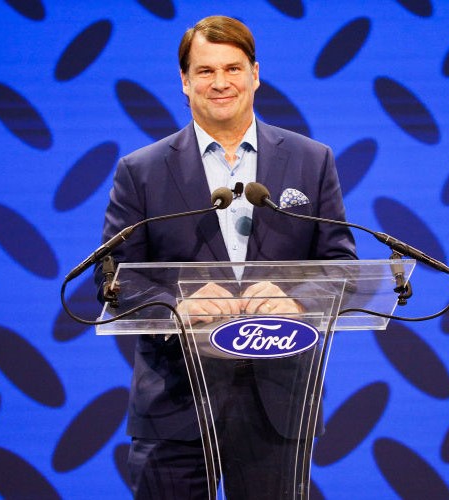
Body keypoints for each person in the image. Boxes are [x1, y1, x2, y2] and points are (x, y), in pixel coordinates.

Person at [96, 15, 357, 499]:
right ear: (184, 81)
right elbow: (114, 281)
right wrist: (178, 304)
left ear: (255, 74)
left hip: (277, 401)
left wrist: (296, 299)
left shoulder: (310, 159)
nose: (220, 83)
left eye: (233, 69)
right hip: (175, 403)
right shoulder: (141, 171)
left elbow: (340, 266)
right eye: (205, 71)